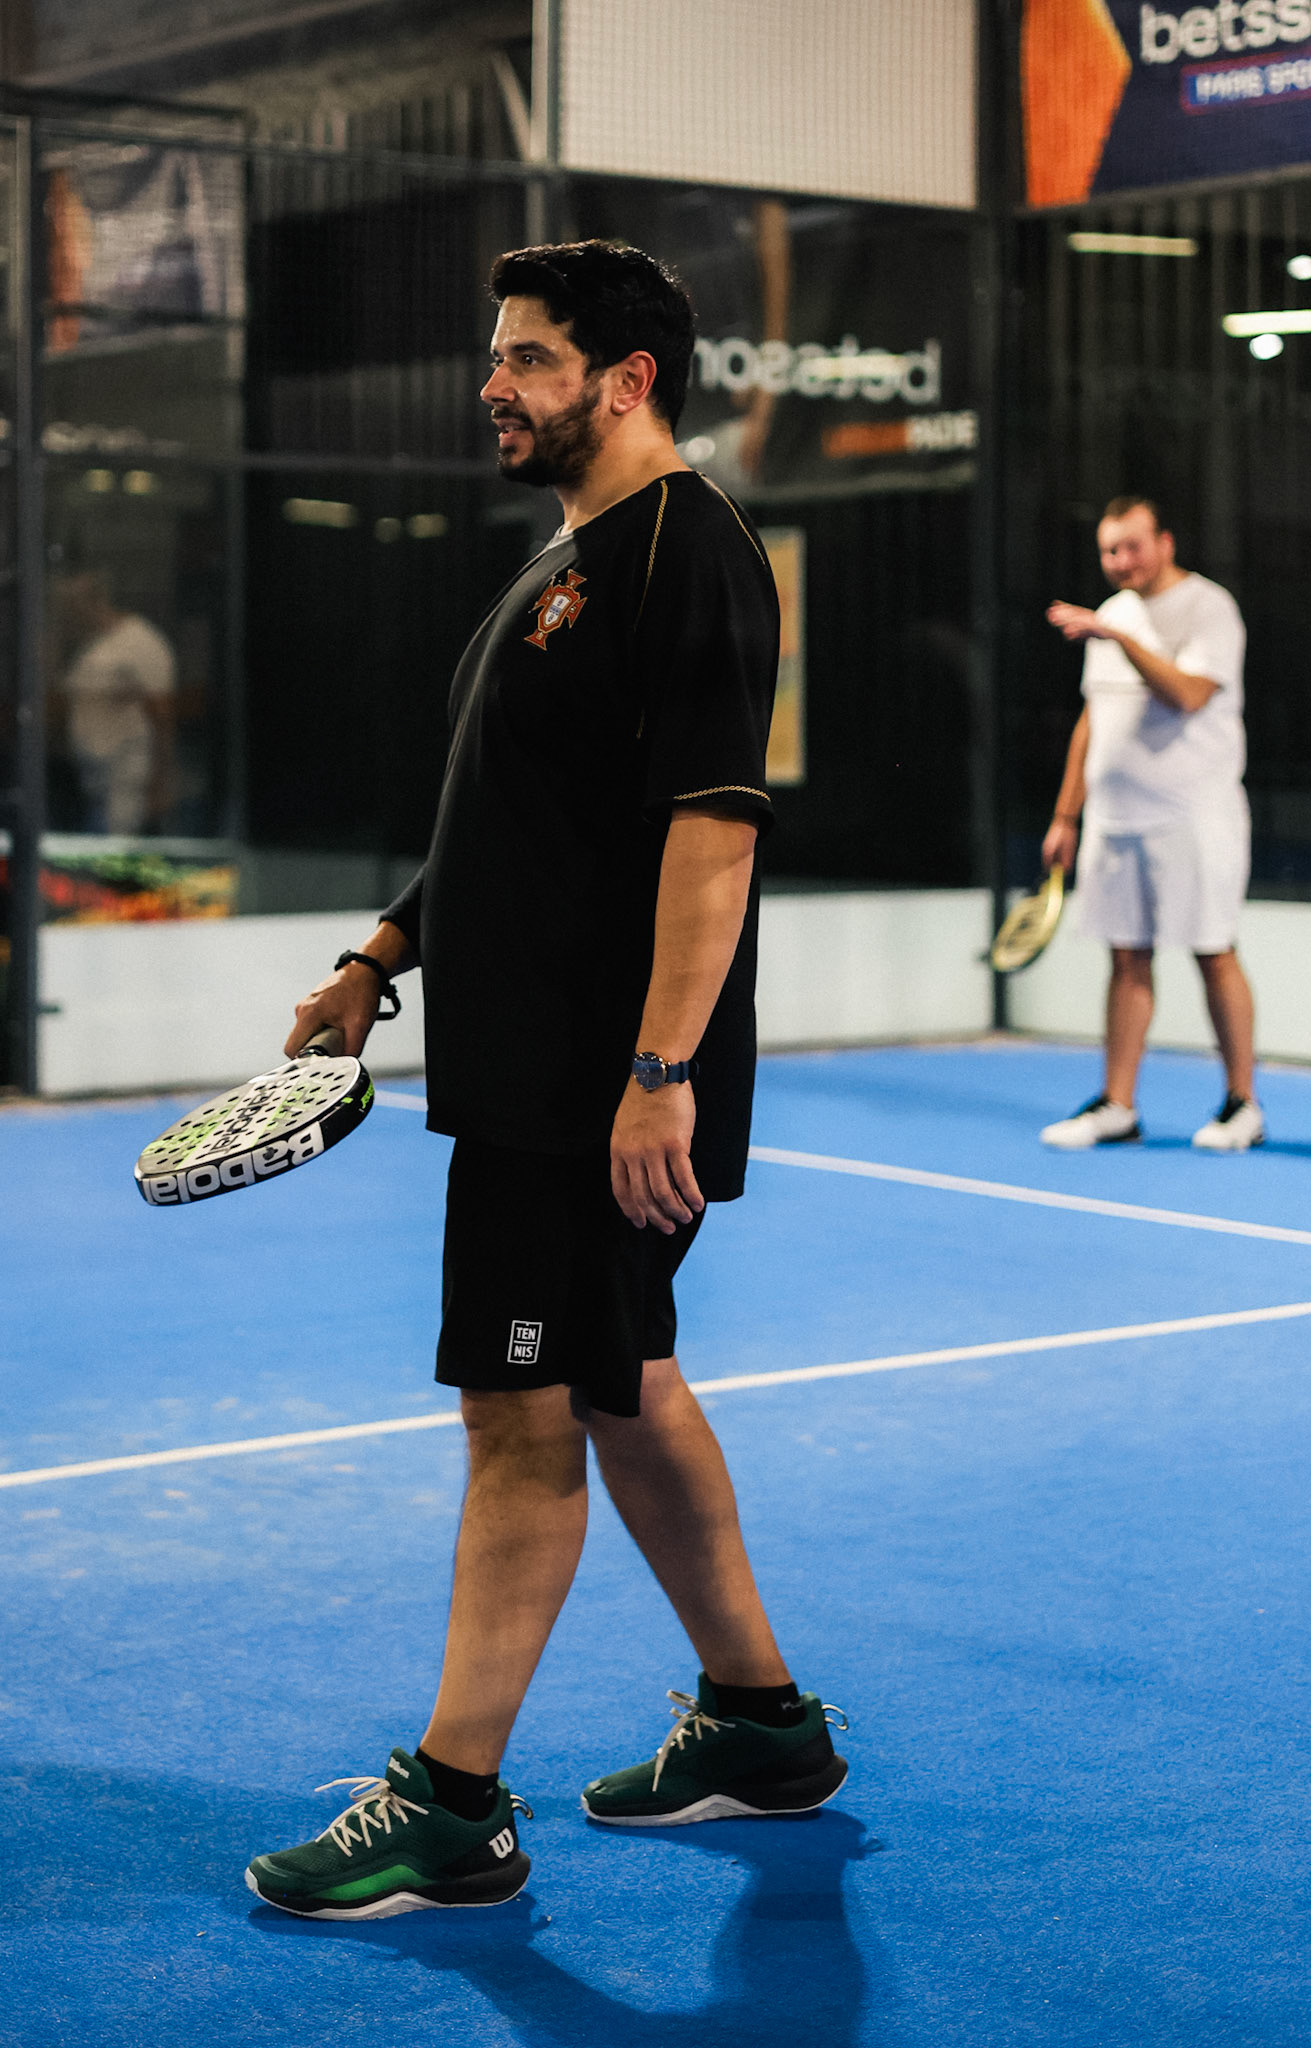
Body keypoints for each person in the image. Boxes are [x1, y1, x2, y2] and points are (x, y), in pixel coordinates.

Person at [244, 241, 847, 1922]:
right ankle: (761, 1724)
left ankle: (454, 1807)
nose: (492, 384)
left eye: (526, 356)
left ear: (626, 377)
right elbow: (512, 823)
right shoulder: (567, 563)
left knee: (519, 1412)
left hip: (591, 1094)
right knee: (619, 1378)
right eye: (497, 353)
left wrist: (658, 1073)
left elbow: (712, 836)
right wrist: (380, 954)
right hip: (534, 1077)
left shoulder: (689, 553)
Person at [1038, 496, 1262, 1153]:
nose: (1119, 560)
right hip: (1114, 820)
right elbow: (1092, 719)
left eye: (1131, 546)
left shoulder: (1208, 608)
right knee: (1125, 956)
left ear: (1165, 542)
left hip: (1194, 817)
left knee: (1212, 950)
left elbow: (1187, 694)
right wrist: (1065, 815)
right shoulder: (1112, 613)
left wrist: (1121, 640)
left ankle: (1242, 1104)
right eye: (1109, 550)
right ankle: (1118, 1105)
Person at [55, 571, 177, 835]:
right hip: (92, 780)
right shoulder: (91, 645)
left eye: (71, 607)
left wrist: (160, 783)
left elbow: (162, 715)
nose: (67, 616)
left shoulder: (140, 642)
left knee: (116, 852)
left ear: (94, 601)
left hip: (126, 779)